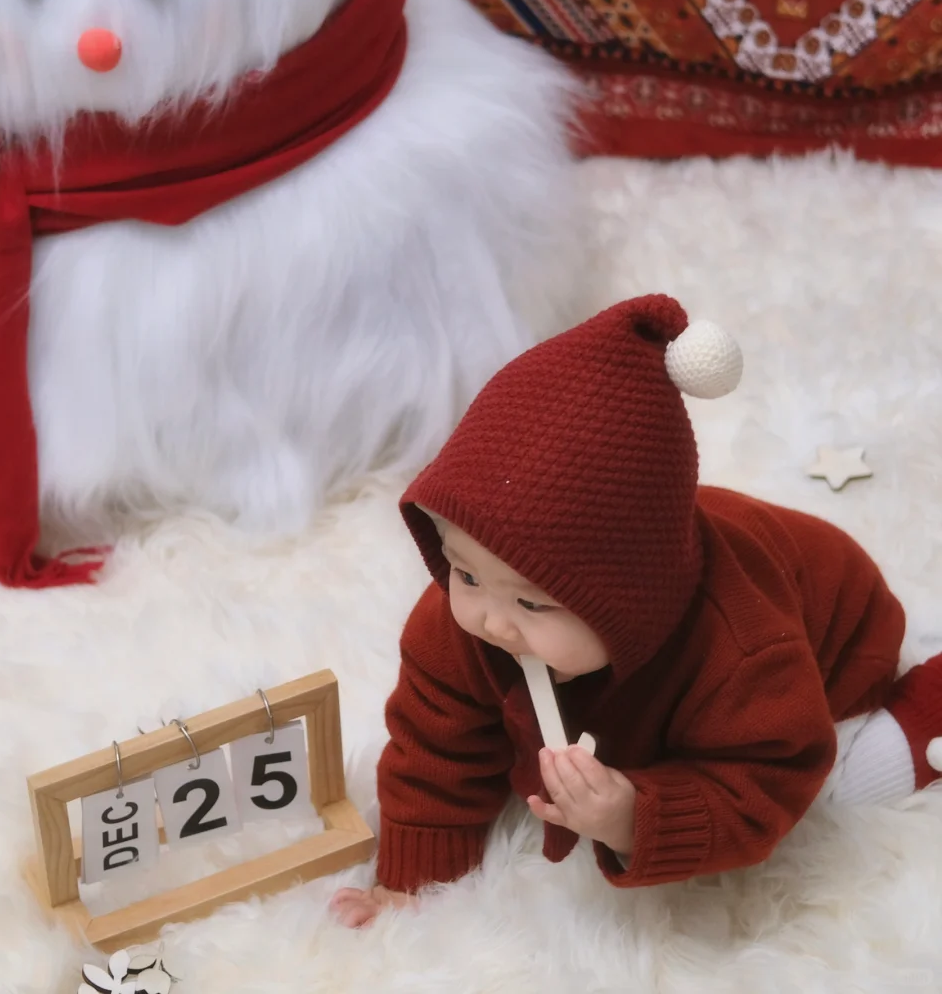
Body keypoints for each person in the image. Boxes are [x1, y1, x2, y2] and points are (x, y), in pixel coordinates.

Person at [330, 295, 942, 927]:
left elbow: (767, 776)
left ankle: (922, 714)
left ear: (629, 601)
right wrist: (410, 885)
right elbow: (433, 750)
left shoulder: (742, 650)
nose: (491, 620)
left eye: (532, 600)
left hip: (840, 650)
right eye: (464, 571)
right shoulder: (461, 625)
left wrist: (634, 816)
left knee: (847, 784)